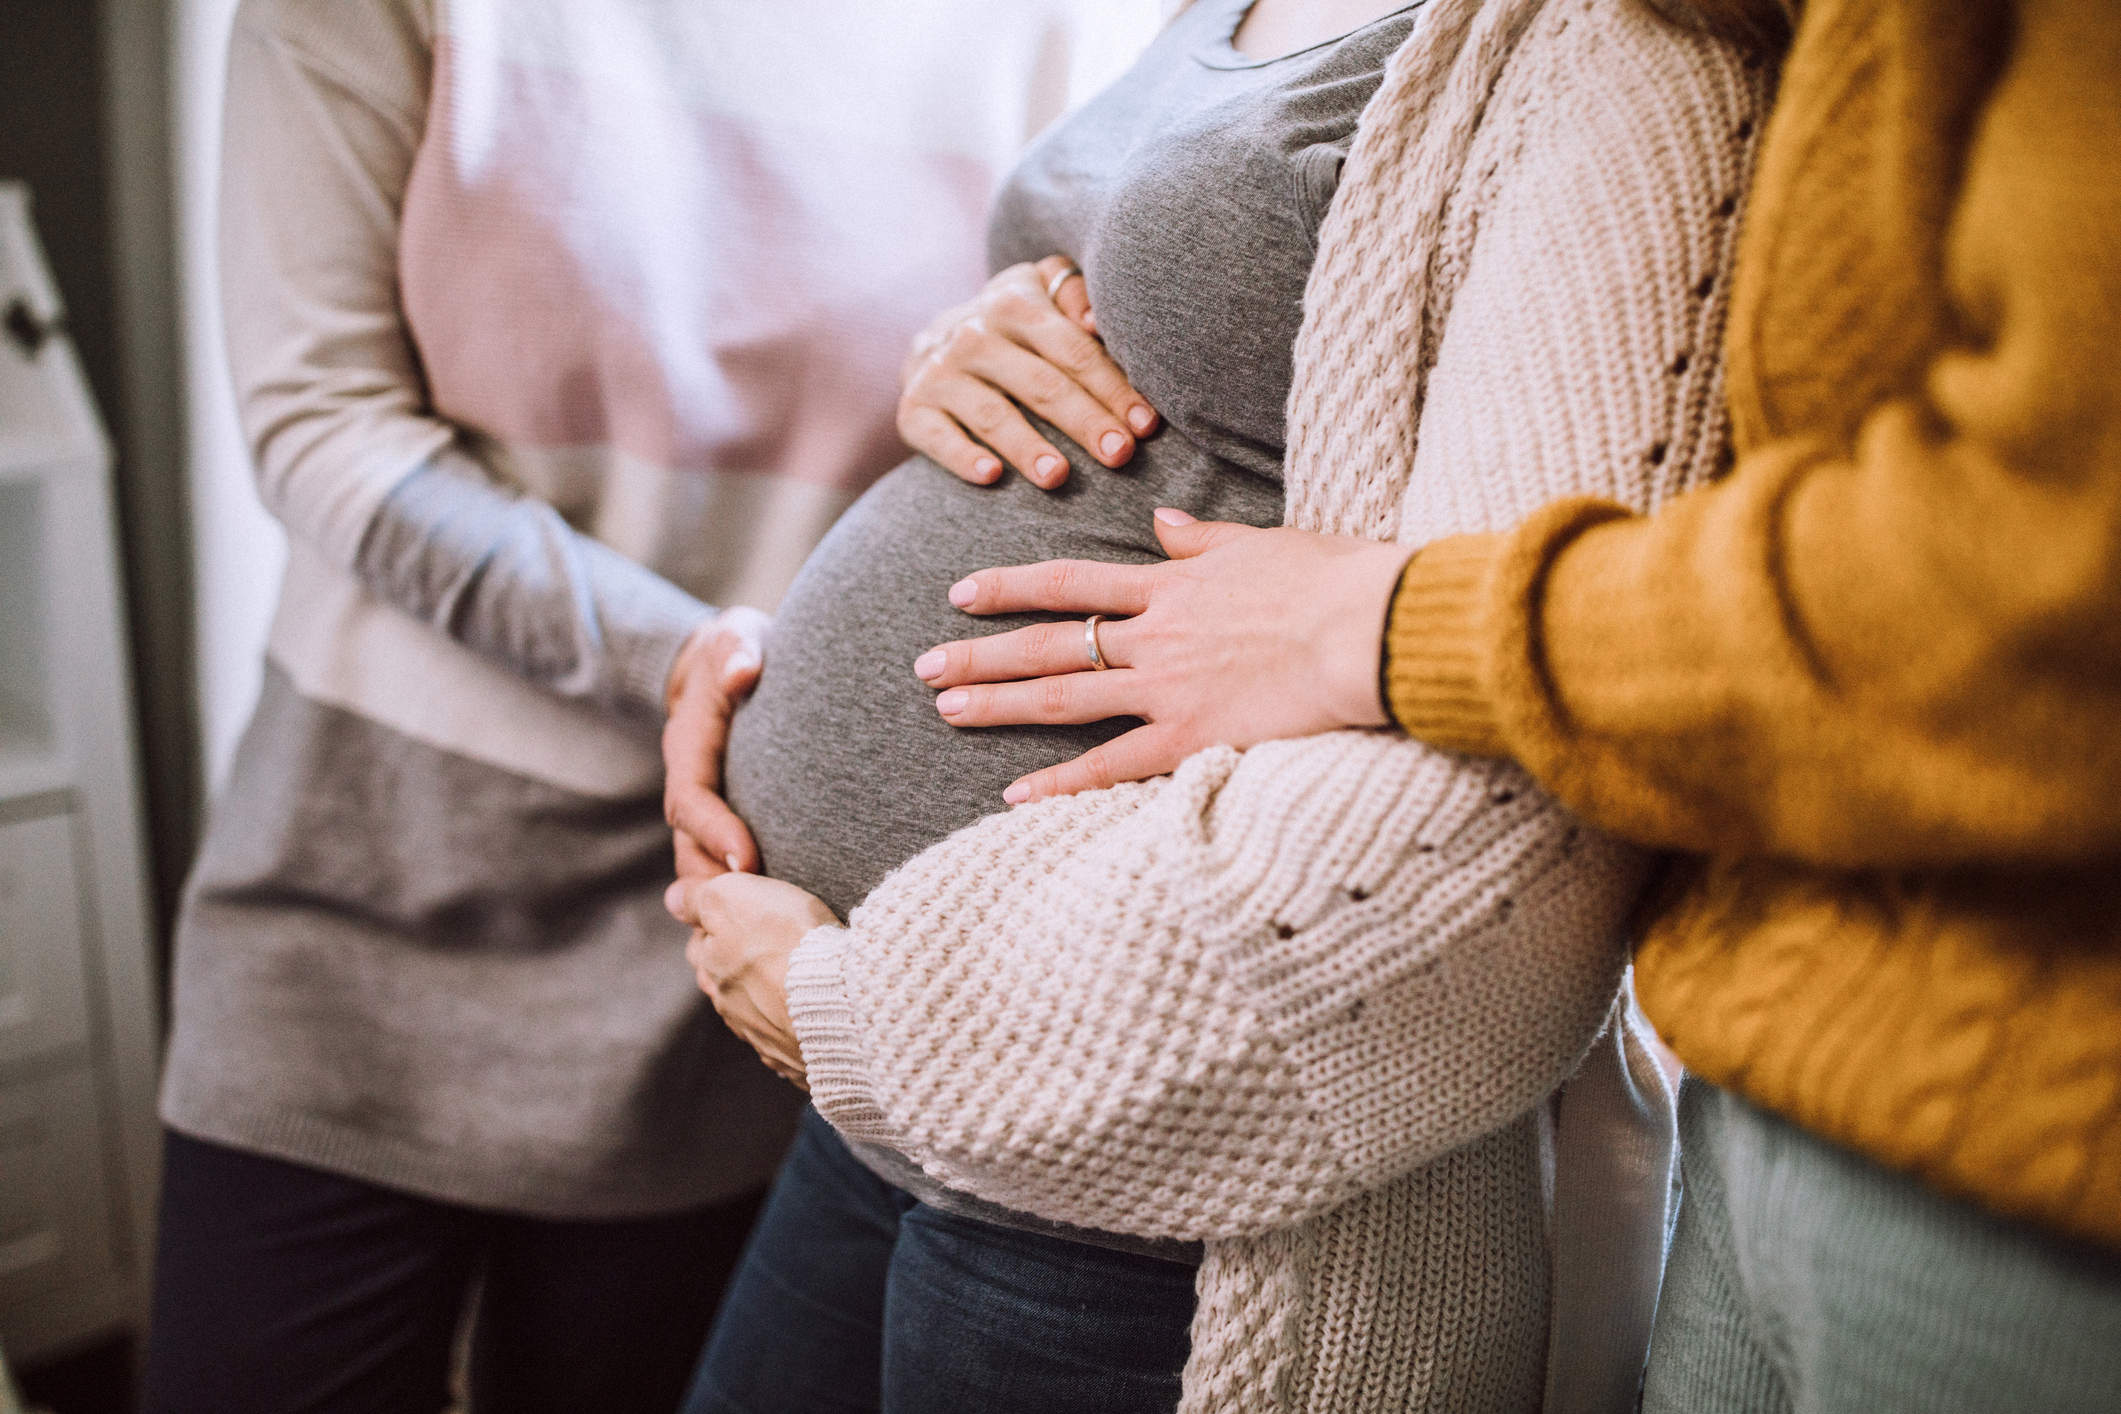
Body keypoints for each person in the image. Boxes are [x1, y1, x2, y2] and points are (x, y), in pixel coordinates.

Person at [900, 0, 2121, 1409]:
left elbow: (2027, 570)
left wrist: (854, 1019)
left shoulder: (1624, 68)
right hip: (1780, 1048)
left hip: (2013, 1141)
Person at [663, 0, 1778, 1408]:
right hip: (890, 1105)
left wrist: (857, 1015)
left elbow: (1512, 841)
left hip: (1143, 1188)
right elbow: (1169, 351)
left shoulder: (1630, 53)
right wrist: (972, 334)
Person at [140, 2, 1148, 1410]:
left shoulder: (1036, 35)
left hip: (724, 942)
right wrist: (683, 657)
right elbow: (323, 423)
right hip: (364, 902)